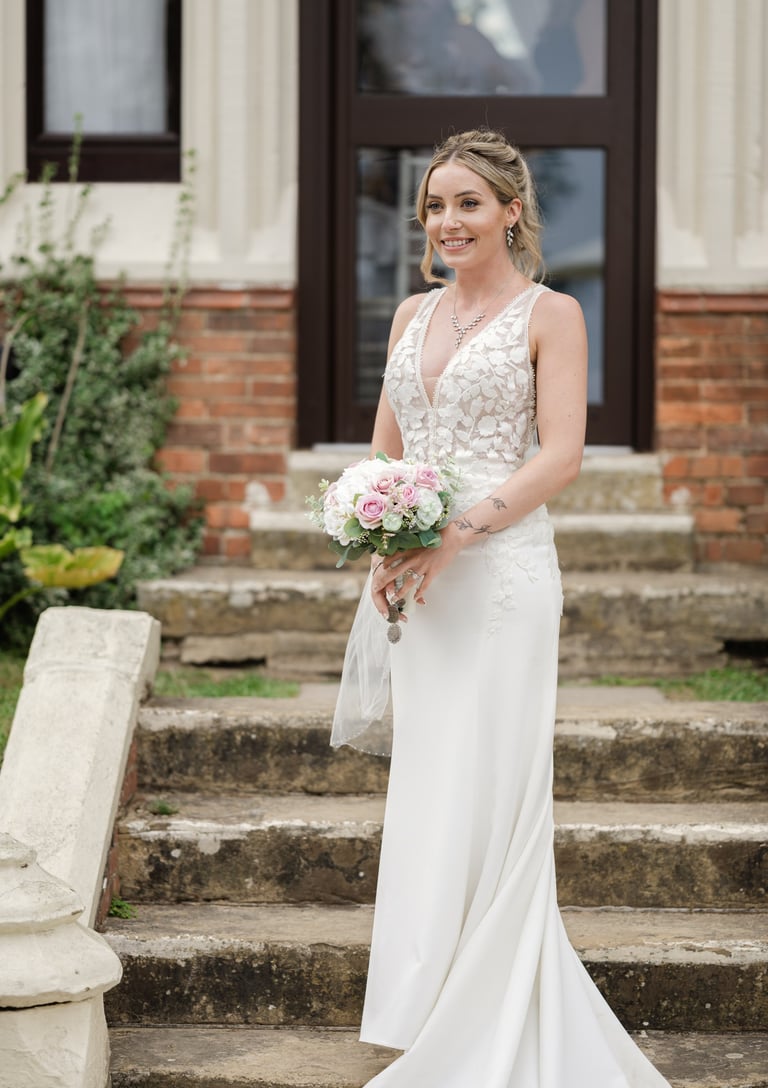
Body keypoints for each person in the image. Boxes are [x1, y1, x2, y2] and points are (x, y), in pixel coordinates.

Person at [332, 129, 672, 1087]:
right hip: (422, 581)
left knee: (492, 780)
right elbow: (387, 448)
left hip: (501, 575)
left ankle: (492, 1001)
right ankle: (427, 999)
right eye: (435, 206)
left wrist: (454, 534)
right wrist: (379, 533)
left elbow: (560, 456)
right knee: (433, 779)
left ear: (511, 211)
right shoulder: (410, 313)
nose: (448, 222)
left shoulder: (552, 313)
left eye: (468, 204)